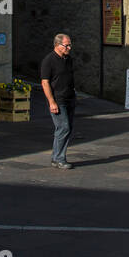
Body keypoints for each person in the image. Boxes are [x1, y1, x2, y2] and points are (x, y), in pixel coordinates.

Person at [40, 33, 76, 169]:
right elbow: (45, 82)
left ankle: (57, 157)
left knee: (67, 128)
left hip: (70, 98)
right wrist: (51, 102)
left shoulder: (68, 59)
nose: (69, 47)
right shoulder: (48, 61)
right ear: (57, 45)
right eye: (66, 45)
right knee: (63, 127)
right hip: (58, 99)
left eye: (70, 44)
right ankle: (58, 158)